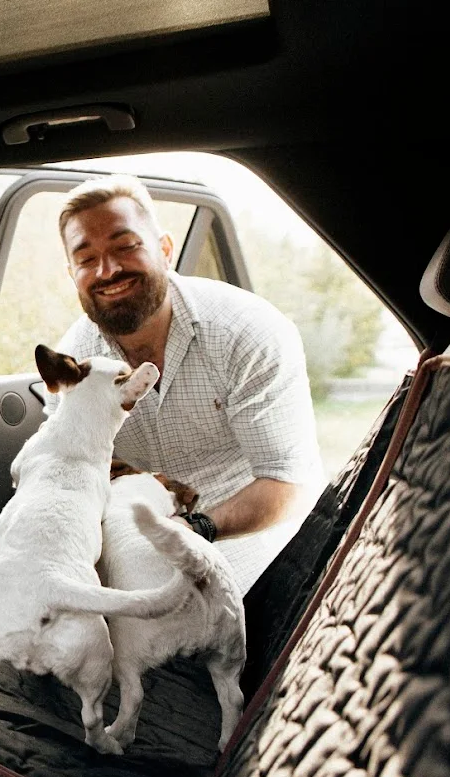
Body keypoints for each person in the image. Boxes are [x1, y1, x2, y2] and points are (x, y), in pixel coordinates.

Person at [54, 174, 323, 593]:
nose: (107, 270)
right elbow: (74, 471)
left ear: (164, 249)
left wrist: (194, 529)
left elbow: (286, 481)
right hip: (136, 572)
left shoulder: (248, 331)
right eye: (86, 259)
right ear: (71, 273)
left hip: (260, 567)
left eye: (126, 247)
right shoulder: (76, 361)